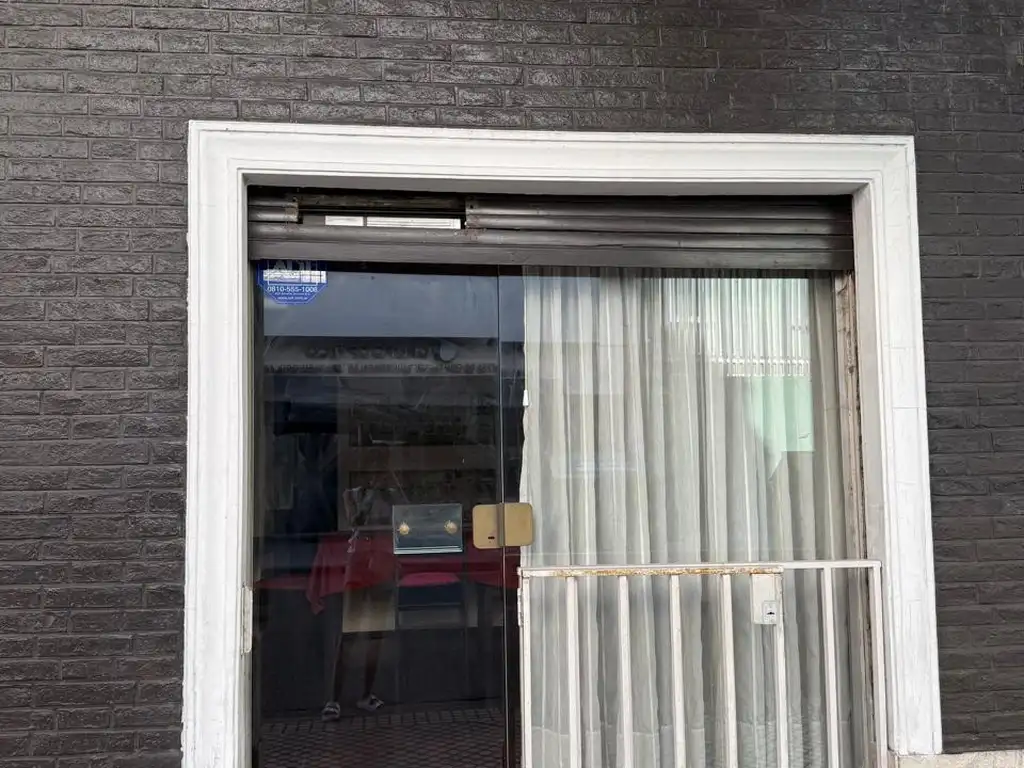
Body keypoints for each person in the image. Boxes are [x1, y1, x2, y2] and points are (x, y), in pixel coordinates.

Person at [321, 475, 399, 720]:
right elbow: (356, 521)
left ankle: (366, 693)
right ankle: (334, 698)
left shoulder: (391, 494)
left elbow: (404, 518)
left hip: (383, 561)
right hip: (358, 564)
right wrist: (370, 496)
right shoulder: (352, 494)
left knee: (377, 634)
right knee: (349, 632)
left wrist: (391, 490)